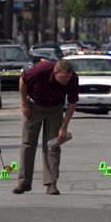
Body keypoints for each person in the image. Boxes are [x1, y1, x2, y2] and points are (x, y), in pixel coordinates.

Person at [13, 58, 79, 195]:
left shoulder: (73, 78)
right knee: (28, 144)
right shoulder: (40, 70)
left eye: (69, 76)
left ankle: (51, 183)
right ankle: (24, 182)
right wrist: (23, 104)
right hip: (34, 106)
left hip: (55, 109)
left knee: (53, 145)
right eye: (64, 76)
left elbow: (72, 103)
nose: (67, 79)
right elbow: (23, 80)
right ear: (56, 73)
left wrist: (64, 126)